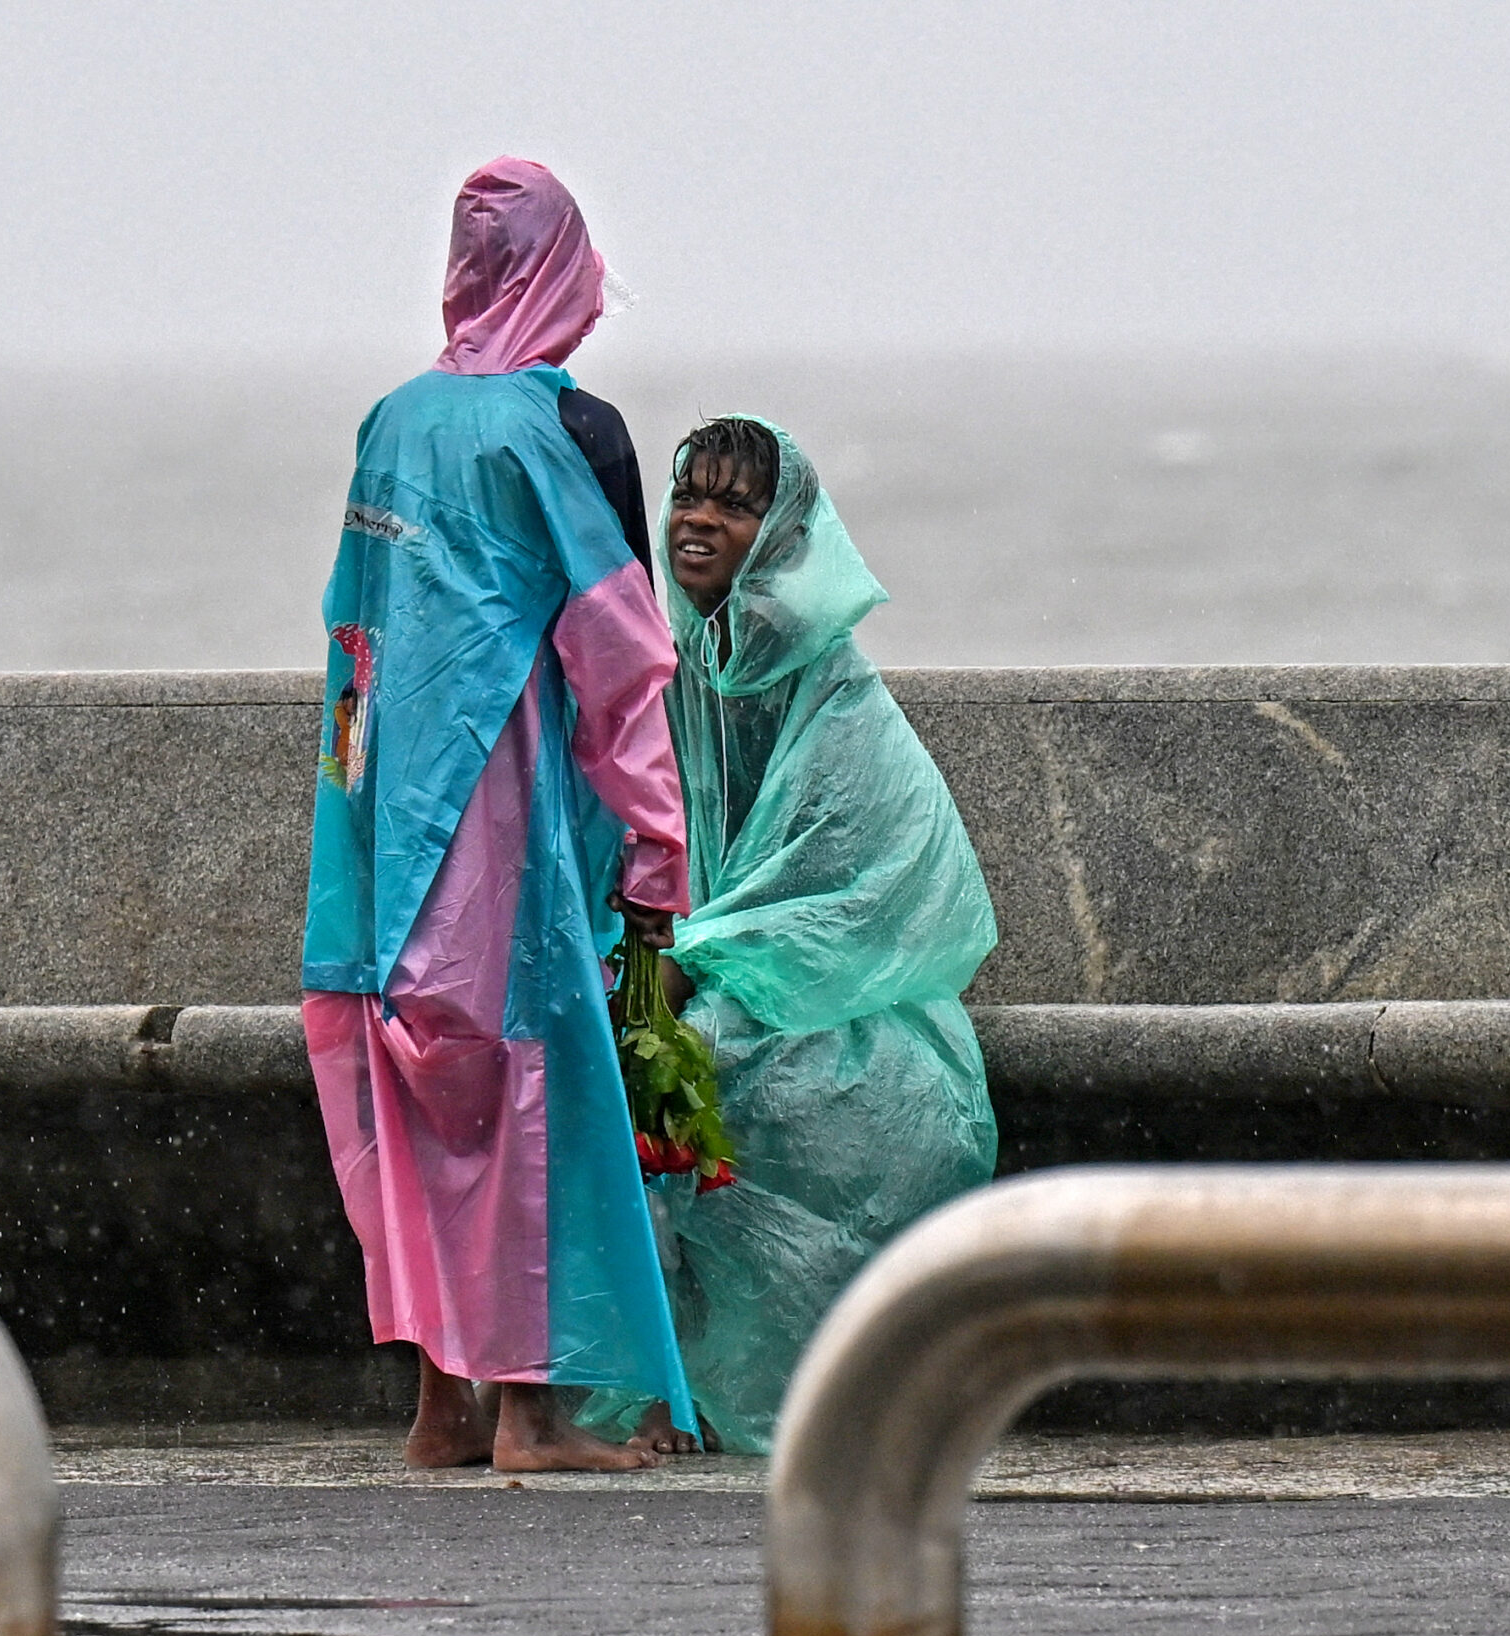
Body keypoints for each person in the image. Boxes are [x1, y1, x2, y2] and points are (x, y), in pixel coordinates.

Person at [301, 158, 698, 1473]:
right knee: (536, 1081)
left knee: (422, 1099)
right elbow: (620, 650)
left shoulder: (390, 424)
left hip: (384, 820)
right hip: (512, 824)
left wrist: (352, 814)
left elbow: (355, 635)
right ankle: (532, 1411)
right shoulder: (567, 434)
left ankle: (440, 1403)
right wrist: (655, 841)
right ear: (564, 271)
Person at [585, 416, 999, 1455]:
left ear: (781, 535)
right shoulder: (673, 662)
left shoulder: (833, 683)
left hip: (838, 995)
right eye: (690, 497)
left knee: (735, 1075)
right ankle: (662, 1380)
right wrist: (644, 964)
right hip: (696, 963)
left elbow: (856, 877)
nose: (700, 523)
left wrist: (694, 964)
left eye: (735, 506)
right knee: (611, 1065)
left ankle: (778, 1378)